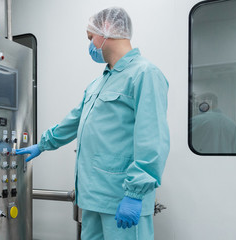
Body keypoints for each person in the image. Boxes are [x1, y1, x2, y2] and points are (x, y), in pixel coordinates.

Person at [16, 7, 170, 239]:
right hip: (92, 198)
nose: (90, 45)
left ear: (106, 30)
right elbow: (73, 121)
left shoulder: (144, 74)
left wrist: (135, 193)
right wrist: (43, 144)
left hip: (121, 198)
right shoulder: (99, 84)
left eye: (90, 38)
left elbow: (153, 139)